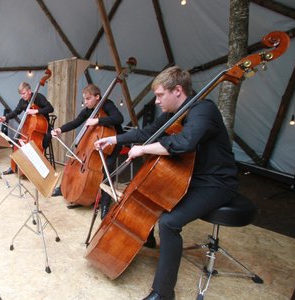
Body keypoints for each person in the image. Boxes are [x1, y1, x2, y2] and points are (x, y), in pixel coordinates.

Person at [94, 66, 238, 300]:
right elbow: (148, 132)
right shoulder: (174, 112)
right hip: (188, 176)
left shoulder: (204, 109)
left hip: (215, 182)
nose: (157, 100)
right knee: (155, 189)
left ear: (178, 91)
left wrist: (143, 150)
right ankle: (147, 237)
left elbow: (184, 143)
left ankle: (163, 293)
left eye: (160, 95)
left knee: (170, 222)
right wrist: (114, 138)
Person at [50, 84, 124, 219]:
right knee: (74, 160)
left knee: (107, 167)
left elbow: (119, 118)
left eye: (88, 99)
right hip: (96, 142)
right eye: (84, 99)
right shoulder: (88, 109)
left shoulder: (107, 104)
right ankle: (63, 188)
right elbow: (76, 122)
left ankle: (105, 203)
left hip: (114, 142)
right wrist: (60, 129)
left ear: (97, 97)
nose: (85, 102)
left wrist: (97, 120)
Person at [0, 82, 54, 175]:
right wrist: (5, 118)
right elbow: (16, 112)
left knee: (46, 138)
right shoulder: (22, 101)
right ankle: (14, 166)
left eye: (24, 93)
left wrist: (36, 110)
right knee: (17, 141)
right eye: (21, 94)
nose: (22, 96)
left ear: (29, 91)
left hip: (43, 126)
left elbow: (50, 108)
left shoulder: (38, 97)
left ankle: (40, 164)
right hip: (29, 127)